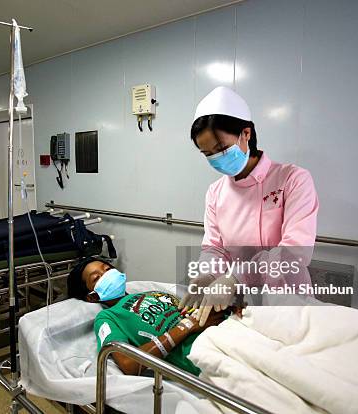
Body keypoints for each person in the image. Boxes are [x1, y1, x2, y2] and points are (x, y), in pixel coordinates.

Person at [180, 86, 319, 326]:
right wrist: (208, 274)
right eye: (207, 154)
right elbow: (215, 247)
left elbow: (295, 253)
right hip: (234, 303)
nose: (216, 159)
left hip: (286, 298)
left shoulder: (292, 179)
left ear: (246, 133)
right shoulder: (216, 192)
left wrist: (236, 277)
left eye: (221, 149)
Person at [67, 257, 242, 376]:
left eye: (108, 269)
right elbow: (128, 363)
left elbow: (192, 312)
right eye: (97, 277)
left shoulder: (153, 293)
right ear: (91, 296)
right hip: (203, 352)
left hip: (231, 328)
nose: (107, 275)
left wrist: (225, 304)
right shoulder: (108, 317)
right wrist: (187, 326)